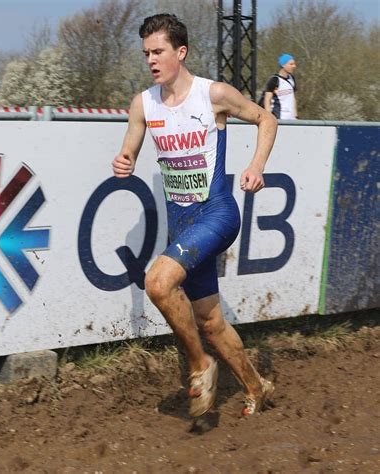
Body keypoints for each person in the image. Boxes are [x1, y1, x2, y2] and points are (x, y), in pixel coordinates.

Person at [112, 13, 278, 418]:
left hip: (217, 212)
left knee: (158, 281)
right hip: (183, 223)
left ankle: (199, 364)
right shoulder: (143, 104)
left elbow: (266, 118)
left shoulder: (214, 94)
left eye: (159, 51)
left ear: (180, 52)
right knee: (210, 321)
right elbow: (129, 148)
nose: (151, 60)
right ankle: (257, 387)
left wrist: (256, 166)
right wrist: (125, 159)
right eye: (146, 53)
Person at [262, 53, 297, 119]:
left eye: (294, 64)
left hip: (291, 118)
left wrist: (296, 115)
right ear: (283, 65)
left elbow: (293, 98)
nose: (294, 66)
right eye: (291, 64)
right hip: (279, 117)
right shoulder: (274, 79)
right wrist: (269, 117)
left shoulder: (292, 78)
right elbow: (267, 99)